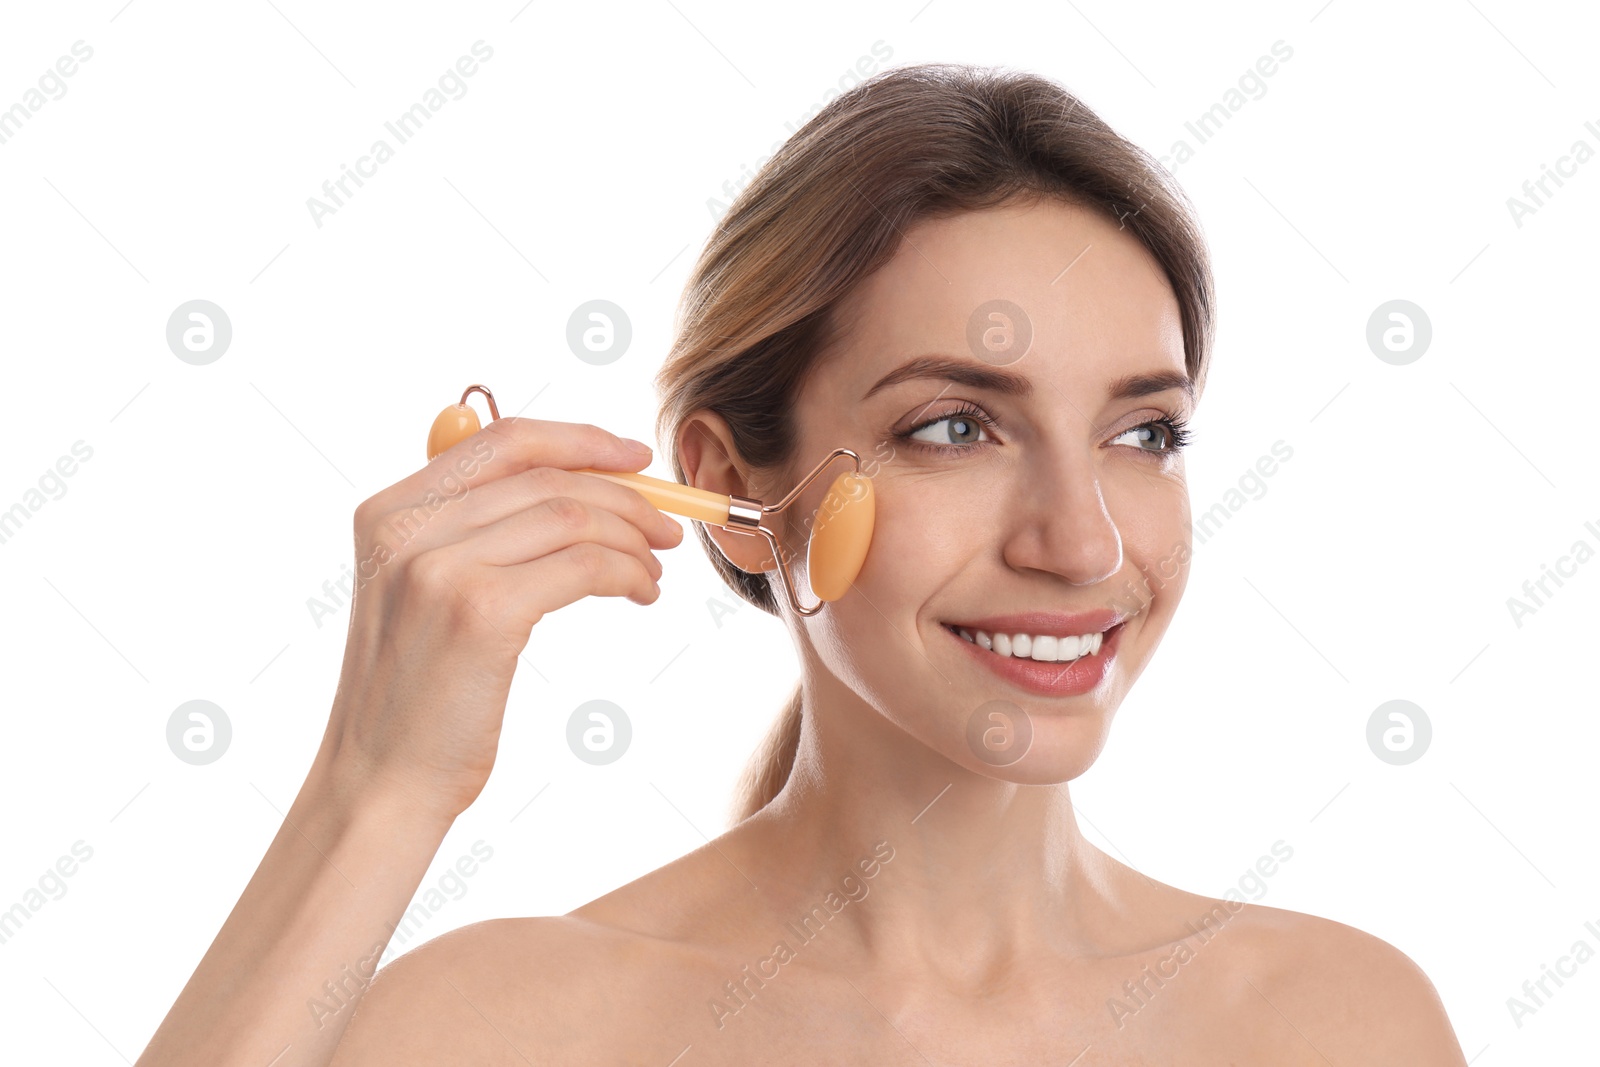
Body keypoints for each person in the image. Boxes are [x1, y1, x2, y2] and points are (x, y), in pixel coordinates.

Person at [137, 63, 1468, 1065]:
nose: (1082, 542)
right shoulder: (508, 1025)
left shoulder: (1337, 1022)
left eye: (1143, 432)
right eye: (955, 427)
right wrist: (381, 786)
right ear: (727, 489)